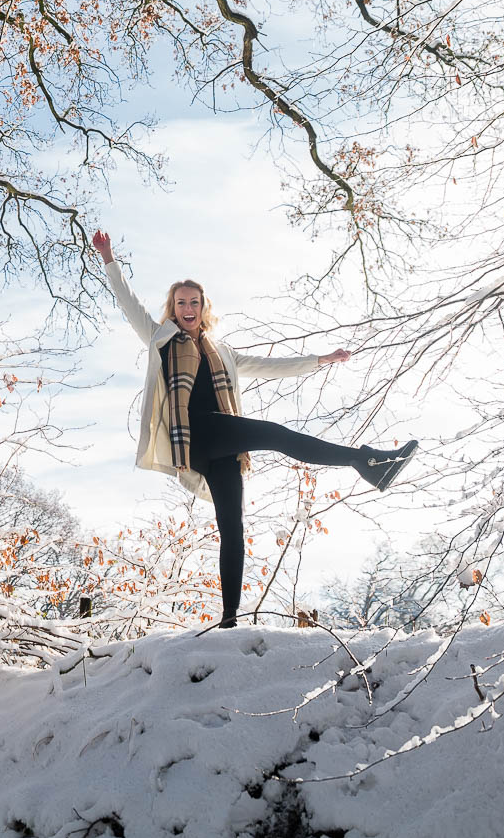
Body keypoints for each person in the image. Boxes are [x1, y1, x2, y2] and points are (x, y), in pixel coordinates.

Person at [91, 228, 417, 629]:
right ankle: (365, 460)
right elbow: (129, 304)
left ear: (203, 307)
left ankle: (229, 618)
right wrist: (108, 258)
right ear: (173, 310)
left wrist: (320, 360)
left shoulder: (222, 352)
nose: (188, 308)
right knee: (277, 435)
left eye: (194, 302)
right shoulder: (161, 339)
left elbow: (269, 365)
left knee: (233, 526)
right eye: (181, 303)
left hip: (223, 447)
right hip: (197, 436)